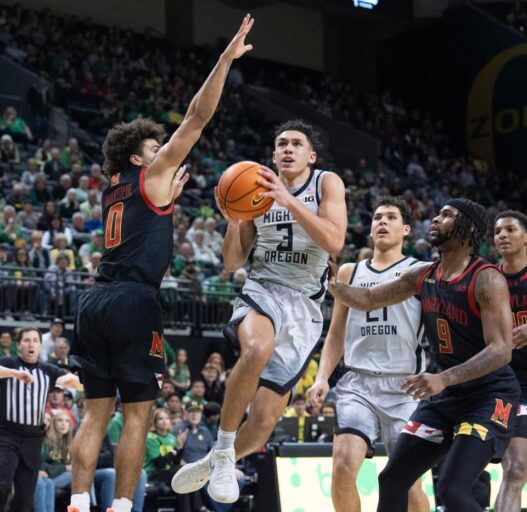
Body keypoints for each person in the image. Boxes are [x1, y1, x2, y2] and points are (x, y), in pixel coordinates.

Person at [67, 16, 255, 512]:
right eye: (155, 149)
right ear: (137, 158)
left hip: (95, 300)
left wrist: (165, 205)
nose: (163, 153)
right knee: (137, 417)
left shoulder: (114, 189)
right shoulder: (150, 176)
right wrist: (224, 60)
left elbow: (141, 216)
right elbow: (196, 117)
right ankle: (123, 507)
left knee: (92, 415)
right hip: (133, 300)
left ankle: (79, 502)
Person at [172, 119, 347, 503]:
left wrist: (290, 202)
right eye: (281, 143)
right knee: (255, 349)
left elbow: (334, 240)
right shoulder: (254, 186)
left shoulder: (325, 183)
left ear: (311, 156)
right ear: (272, 155)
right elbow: (233, 262)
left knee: (265, 421)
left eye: (296, 144)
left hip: (305, 307)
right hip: (263, 288)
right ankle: (222, 448)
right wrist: (235, 222)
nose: (287, 148)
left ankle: (218, 458)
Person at [327, 198, 519, 512]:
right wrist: (337, 287)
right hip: (447, 395)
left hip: (490, 395)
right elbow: (371, 298)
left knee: (452, 489)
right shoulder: (423, 274)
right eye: (437, 214)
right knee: (392, 479)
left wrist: (443, 378)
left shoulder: (486, 279)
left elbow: (501, 350)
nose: (434, 219)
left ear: (467, 229)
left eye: (446, 215)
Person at [308, 196, 429, 512]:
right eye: (377, 217)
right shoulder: (350, 271)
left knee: (410, 484)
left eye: (390, 217)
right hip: (357, 384)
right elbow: (335, 333)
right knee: (343, 466)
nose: (382, 222)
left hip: (404, 388)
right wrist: (322, 377)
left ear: (405, 229)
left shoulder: (419, 271)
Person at [0, 327, 79, 512]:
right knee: (2, 484)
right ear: (18, 345)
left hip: (33, 439)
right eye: (26, 340)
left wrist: (88, 381)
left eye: (35, 340)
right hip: (6, 436)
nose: (31, 344)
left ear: (40, 346)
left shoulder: (47, 370)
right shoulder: (9, 363)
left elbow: (70, 380)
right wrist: (16, 374)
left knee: (25, 494)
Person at [493, 210, 527, 511]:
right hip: (508, 385)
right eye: (497, 231)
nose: (502, 235)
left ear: (526, 237)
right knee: (514, 468)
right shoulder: (488, 280)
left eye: (510, 229)